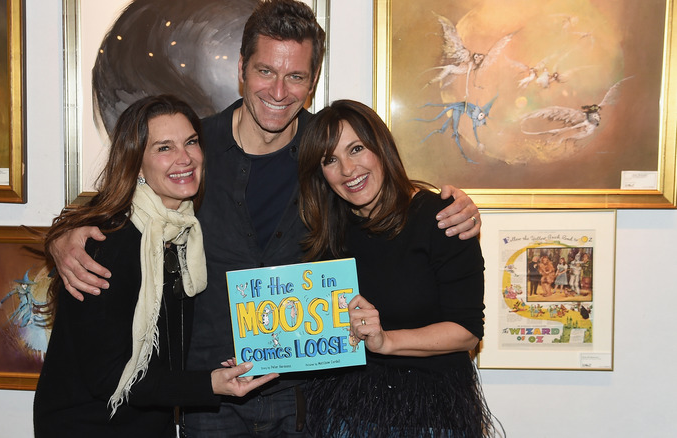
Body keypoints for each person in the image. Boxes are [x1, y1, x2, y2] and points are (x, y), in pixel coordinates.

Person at [48, 1, 482, 436]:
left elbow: (384, 203)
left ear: (312, 81)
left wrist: (452, 206)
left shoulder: (327, 155)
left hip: (304, 397)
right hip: (209, 396)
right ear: (242, 68)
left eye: (295, 76)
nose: (279, 91)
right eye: (266, 71)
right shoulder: (193, 150)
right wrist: (61, 237)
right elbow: (120, 202)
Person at [33, 95, 277, 437]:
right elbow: (110, 377)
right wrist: (209, 385)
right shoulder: (106, 244)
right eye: (164, 148)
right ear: (137, 164)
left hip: (149, 421)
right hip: (89, 425)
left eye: (191, 142)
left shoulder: (181, 232)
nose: (185, 158)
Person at [297, 100, 498, 437]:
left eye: (356, 149)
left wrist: (386, 341)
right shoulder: (324, 233)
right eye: (330, 160)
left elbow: (466, 331)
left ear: (381, 148)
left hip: (430, 414)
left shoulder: (443, 218)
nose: (347, 170)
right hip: (344, 414)